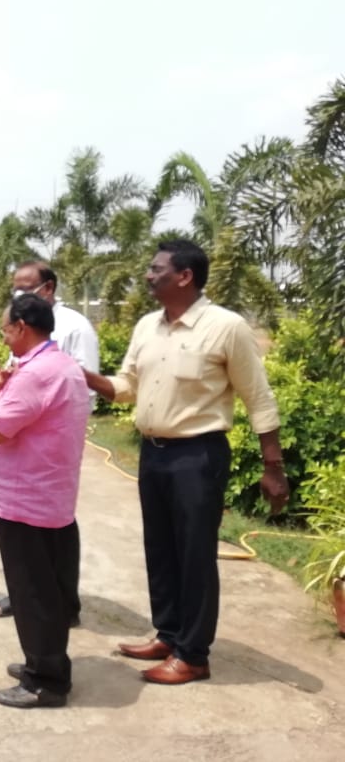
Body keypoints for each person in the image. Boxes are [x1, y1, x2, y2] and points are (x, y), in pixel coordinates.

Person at [83, 239, 290, 685]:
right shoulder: (147, 327)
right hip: (153, 455)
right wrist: (85, 377)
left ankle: (194, 655)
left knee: (195, 554)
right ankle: (170, 634)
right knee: (161, 550)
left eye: (156, 268)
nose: (147, 275)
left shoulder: (225, 327)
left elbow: (258, 398)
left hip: (198, 455)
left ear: (184, 276)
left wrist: (273, 467)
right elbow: (127, 385)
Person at [0, 293, 90, 708]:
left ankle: (45, 680)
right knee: (48, 588)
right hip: (51, 496)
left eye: (6, 330)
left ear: (23, 327)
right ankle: (44, 660)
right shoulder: (60, 365)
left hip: (25, 501)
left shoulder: (36, 374)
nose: (4, 339)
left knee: (33, 593)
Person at [0, 261, 99, 621]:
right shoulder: (26, 335)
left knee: (51, 531)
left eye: (27, 287)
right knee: (37, 538)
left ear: (48, 288)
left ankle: (59, 604)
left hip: (51, 441)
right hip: (28, 431)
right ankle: (32, 597)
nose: (19, 294)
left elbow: (84, 386)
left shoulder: (74, 328)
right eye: (15, 289)